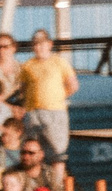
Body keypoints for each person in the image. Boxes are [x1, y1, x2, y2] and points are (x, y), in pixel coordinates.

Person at [16, 27, 79, 171]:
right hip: (33, 113)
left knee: (57, 151)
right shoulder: (27, 66)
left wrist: (57, 97)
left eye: (42, 43)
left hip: (55, 112)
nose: (39, 47)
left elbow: (73, 85)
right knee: (33, 150)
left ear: (49, 44)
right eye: (35, 44)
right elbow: (23, 90)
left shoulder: (60, 62)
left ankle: (57, 185)